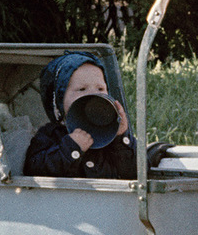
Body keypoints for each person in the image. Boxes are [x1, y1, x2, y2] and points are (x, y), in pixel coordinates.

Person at [24, 51, 136, 179]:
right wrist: (71, 148)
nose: (93, 94)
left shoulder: (113, 137)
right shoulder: (50, 135)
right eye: (82, 89)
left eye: (100, 89)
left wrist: (122, 138)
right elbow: (34, 170)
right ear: (59, 99)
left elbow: (137, 172)